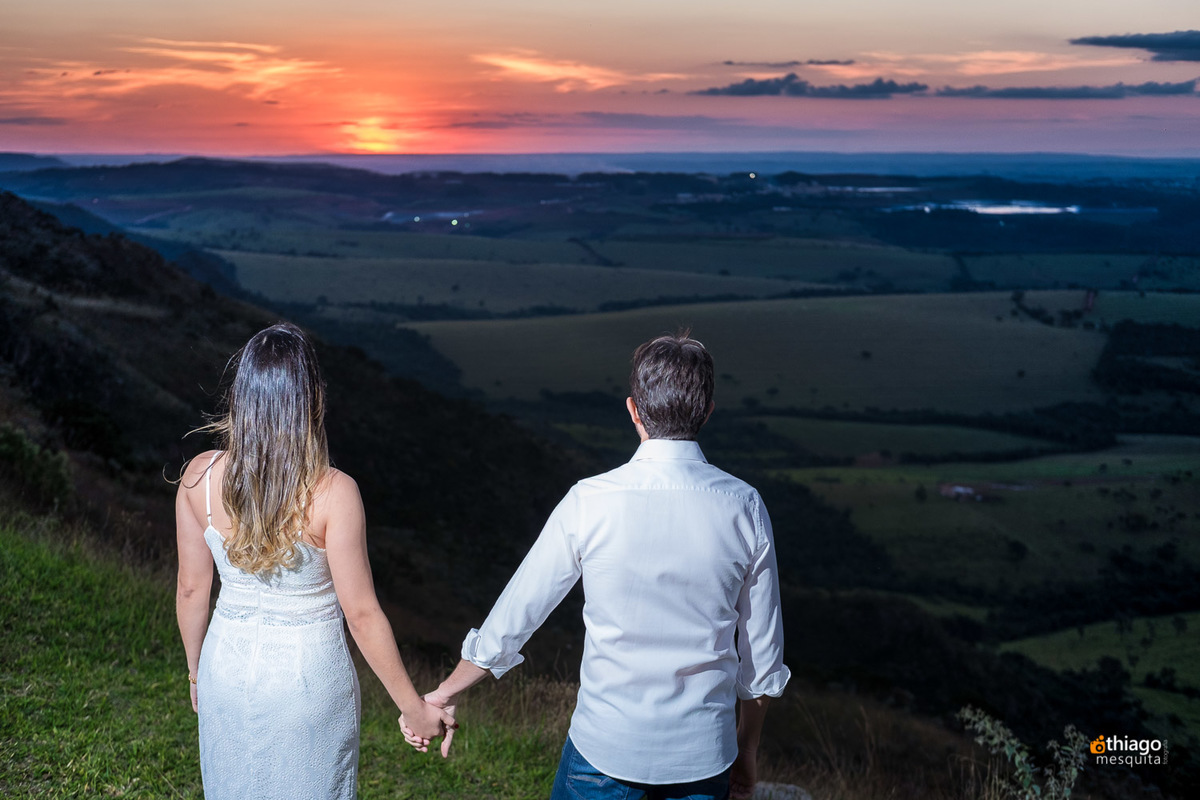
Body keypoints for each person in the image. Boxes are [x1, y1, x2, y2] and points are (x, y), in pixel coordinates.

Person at [404, 332, 789, 800]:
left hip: (604, 750)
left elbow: (517, 615)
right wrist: (746, 752)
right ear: (708, 411)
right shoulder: (745, 506)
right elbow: (762, 658)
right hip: (704, 756)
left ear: (633, 410)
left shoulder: (590, 500)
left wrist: (444, 693)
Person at [175, 322, 453, 800]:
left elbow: (191, 588)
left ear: (242, 396)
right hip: (308, 684)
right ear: (312, 402)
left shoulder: (199, 475)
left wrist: (197, 672)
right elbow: (362, 616)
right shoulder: (334, 493)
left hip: (227, 667)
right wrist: (413, 708)